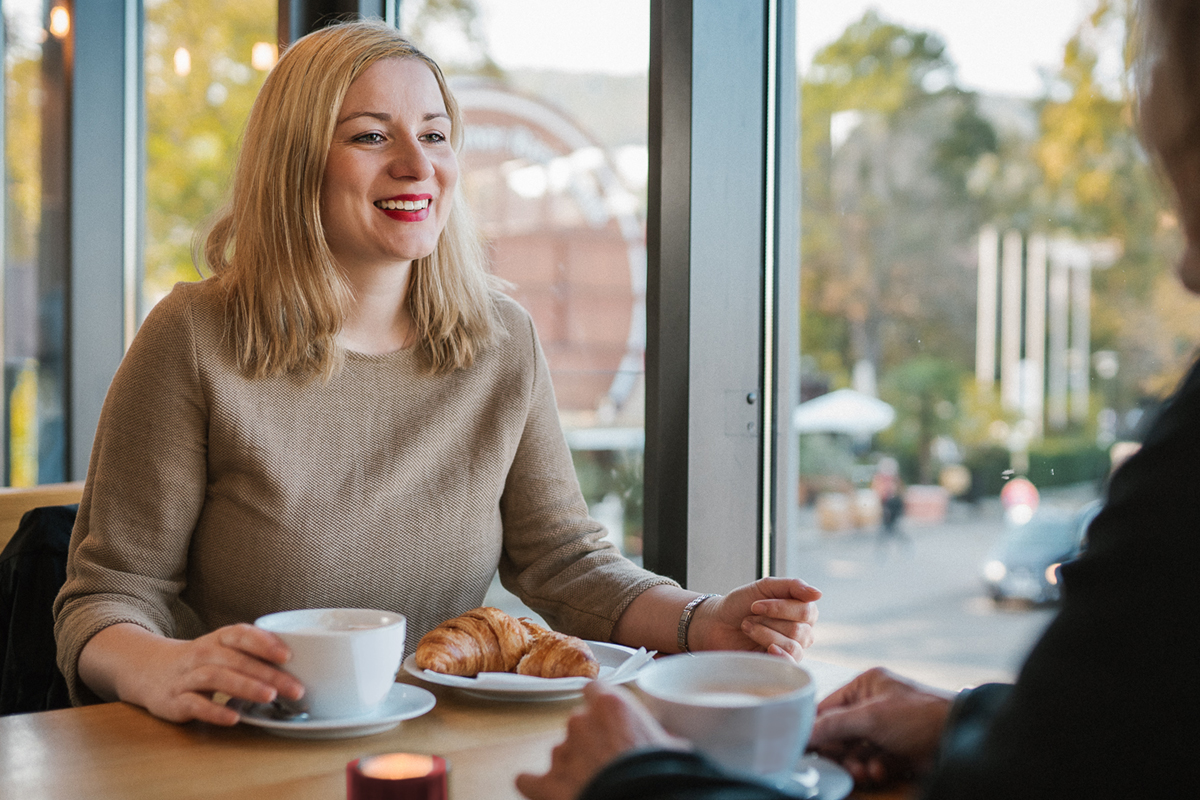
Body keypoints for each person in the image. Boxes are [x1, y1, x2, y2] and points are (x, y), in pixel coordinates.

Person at [517, 0, 1200, 797]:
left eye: (1182, 176)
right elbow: (1117, 743)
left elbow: (559, 557)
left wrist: (640, 780)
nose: (1184, 269)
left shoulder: (503, 336)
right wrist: (967, 723)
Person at [52, 20, 821, 726]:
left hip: (442, 747)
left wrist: (703, 620)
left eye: (435, 134)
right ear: (296, 162)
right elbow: (108, 598)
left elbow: (562, 561)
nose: (416, 165)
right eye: (369, 135)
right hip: (238, 751)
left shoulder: (500, 341)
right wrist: (164, 667)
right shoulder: (194, 337)